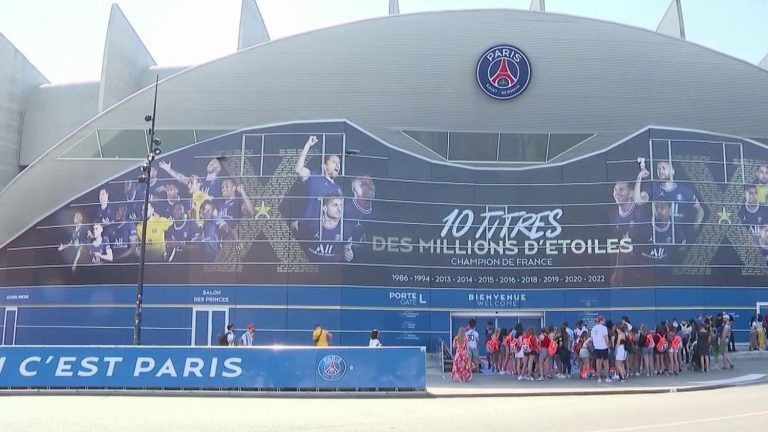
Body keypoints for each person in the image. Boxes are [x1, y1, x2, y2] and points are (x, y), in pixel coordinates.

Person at [294, 135, 343, 225]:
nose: (337, 165)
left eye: (339, 163)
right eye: (334, 162)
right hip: (308, 229)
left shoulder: (338, 189)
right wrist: (308, 145)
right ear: (324, 166)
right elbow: (298, 169)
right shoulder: (315, 177)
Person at [298, 193, 353, 262]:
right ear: (324, 208)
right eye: (335, 205)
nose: (339, 209)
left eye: (341, 205)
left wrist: (349, 255)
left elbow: (347, 249)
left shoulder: (346, 228)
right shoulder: (311, 223)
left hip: (331, 270)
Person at [591, 316, 610, 383]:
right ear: (601, 320)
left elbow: (592, 339)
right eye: (603, 320)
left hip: (597, 347)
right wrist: (608, 346)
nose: (604, 321)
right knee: (606, 363)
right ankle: (607, 377)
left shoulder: (593, 328)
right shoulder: (604, 328)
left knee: (598, 363)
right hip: (604, 347)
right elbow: (606, 338)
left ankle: (599, 378)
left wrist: (595, 345)